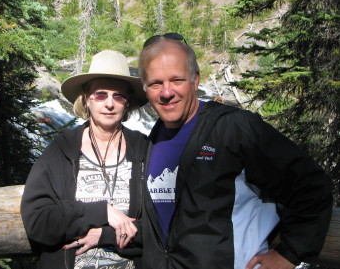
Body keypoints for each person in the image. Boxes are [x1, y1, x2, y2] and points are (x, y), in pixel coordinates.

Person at [137, 33, 332, 269]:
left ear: (196, 81)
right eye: (156, 83)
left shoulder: (234, 128)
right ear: (145, 88)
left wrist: (289, 253)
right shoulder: (153, 139)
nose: (167, 92)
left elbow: (310, 183)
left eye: (177, 80)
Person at [21, 50, 149, 269]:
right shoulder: (62, 150)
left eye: (119, 96)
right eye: (100, 94)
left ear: (127, 103)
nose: (109, 103)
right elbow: (38, 221)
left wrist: (105, 235)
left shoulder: (144, 149)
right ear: (86, 99)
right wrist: (100, 212)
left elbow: (163, 224)